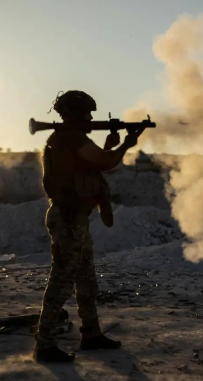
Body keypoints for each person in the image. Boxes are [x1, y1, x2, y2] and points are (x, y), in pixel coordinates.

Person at [34, 90, 144, 363]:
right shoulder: (70, 138)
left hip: (76, 218)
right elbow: (106, 162)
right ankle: (45, 344)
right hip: (69, 219)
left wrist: (110, 143)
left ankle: (91, 334)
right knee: (61, 282)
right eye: (87, 113)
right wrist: (126, 144)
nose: (91, 117)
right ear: (75, 113)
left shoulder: (67, 139)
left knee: (86, 282)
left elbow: (94, 164)